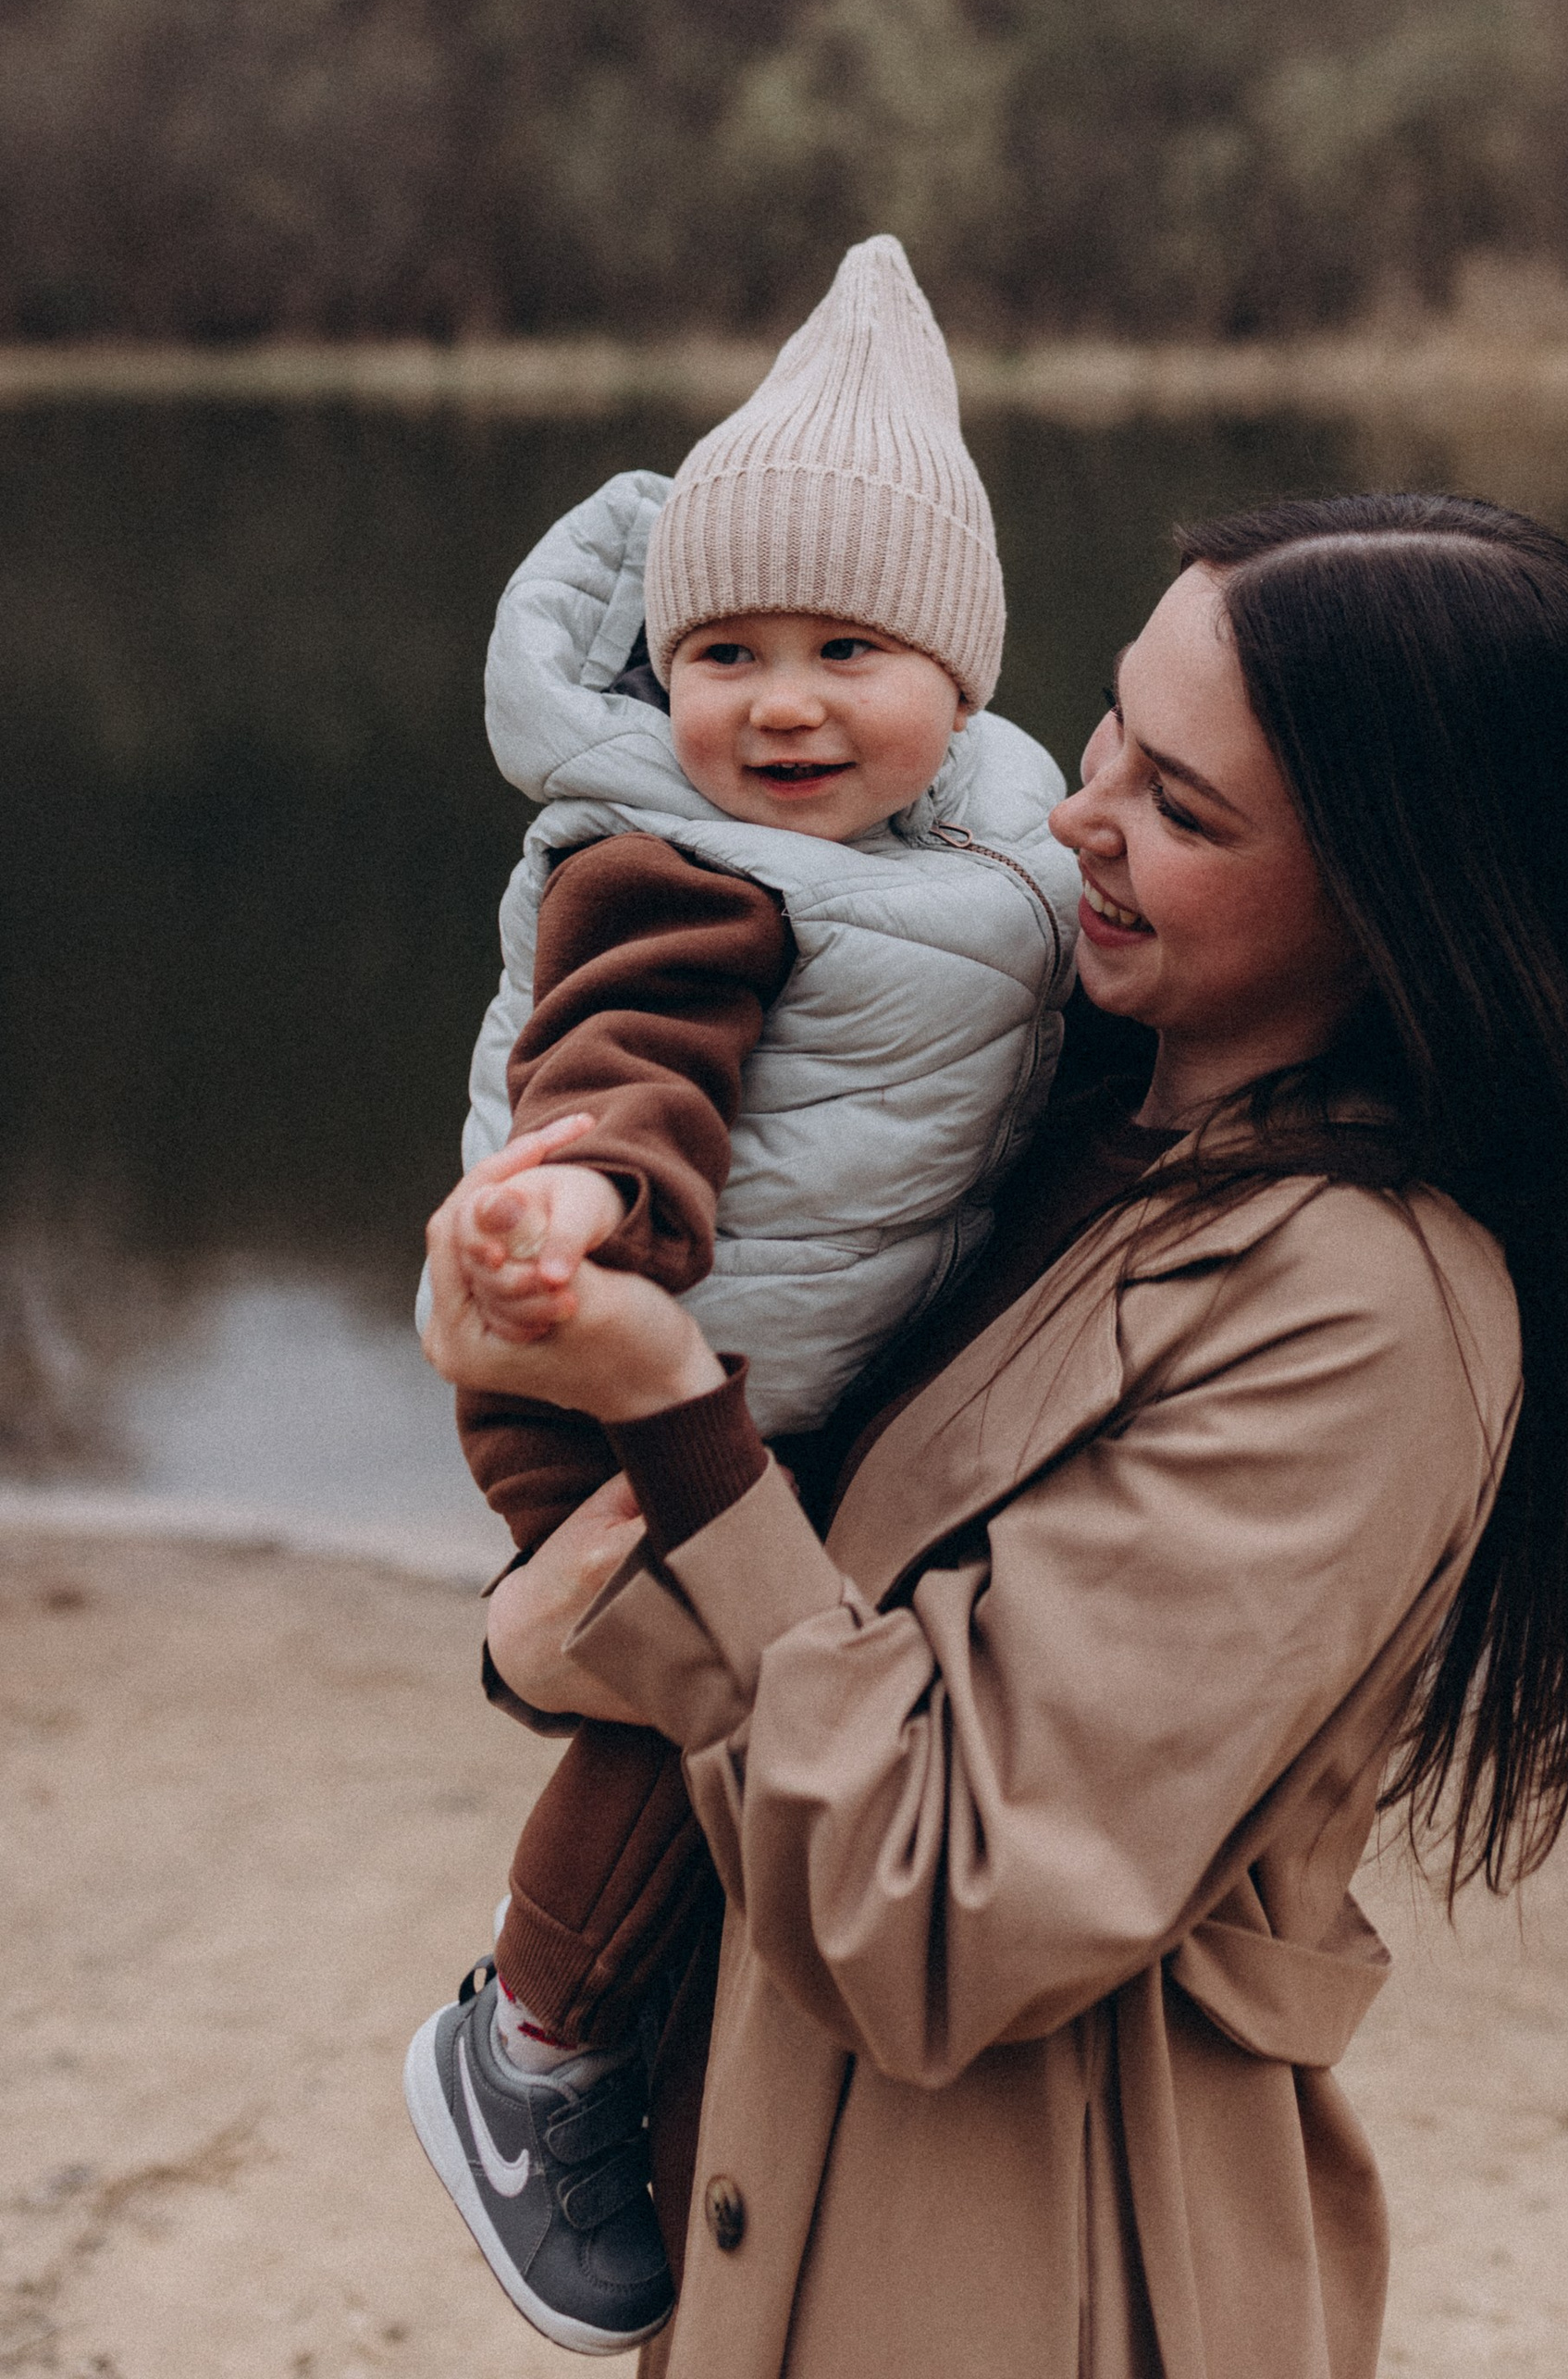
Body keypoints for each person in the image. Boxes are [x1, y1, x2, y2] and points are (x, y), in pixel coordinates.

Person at [421, 489, 1568, 2379]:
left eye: (1184, 810)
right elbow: (772, 1578)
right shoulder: (1023, 1098)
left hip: (1029, 2272)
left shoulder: (1364, 1309)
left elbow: (929, 1903)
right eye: (1109, 732)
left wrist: (660, 1405)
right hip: (764, 2187)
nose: (1080, 817)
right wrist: (541, 1488)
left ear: (1400, 899)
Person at [404, 235, 1079, 2355]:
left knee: (765, 1681)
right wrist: (581, 1209)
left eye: (843, 648)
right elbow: (625, 1070)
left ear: (955, 683)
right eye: (721, 653)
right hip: (609, 1354)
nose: (777, 702)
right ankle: (528, 2046)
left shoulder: (967, 850)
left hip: (774, 1362)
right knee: (685, 1689)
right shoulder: (678, 870)